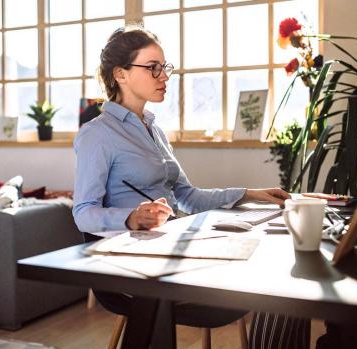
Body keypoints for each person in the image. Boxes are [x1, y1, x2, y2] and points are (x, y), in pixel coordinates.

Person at [72, 26, 310, 348]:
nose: (164, 76)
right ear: (121, 74)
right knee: (272, 278)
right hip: (132, 268)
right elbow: (84, 213)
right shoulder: (97, 134)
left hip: (170, 248)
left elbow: (188, 195)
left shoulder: (154, 129)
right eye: (153, 67)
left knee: (282, 267)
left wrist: (250, 193)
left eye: (165, 67)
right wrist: (129, 218)